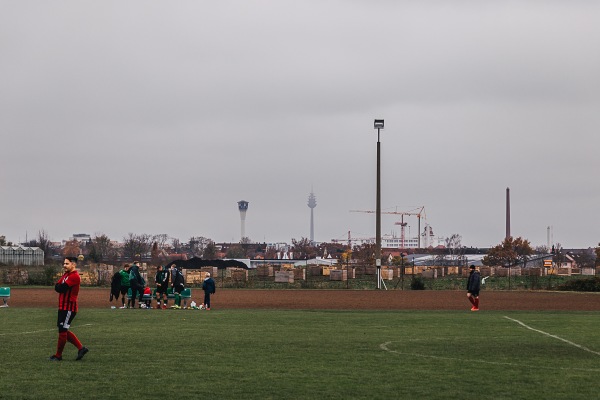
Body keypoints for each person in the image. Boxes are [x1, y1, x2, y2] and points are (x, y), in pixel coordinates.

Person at [49, 257, 89, 361]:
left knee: (62, 331)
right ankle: (81, 348)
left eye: (67, 264)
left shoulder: (75, 276)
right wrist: (59, 286)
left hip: (69, 308)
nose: (64, 265)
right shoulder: (66, 274)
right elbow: (57, 286)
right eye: (64, 263)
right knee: (63, 330)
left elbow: (61, 288)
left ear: (73, 264)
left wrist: (60, 287)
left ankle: (58, 355)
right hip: (63, 306)